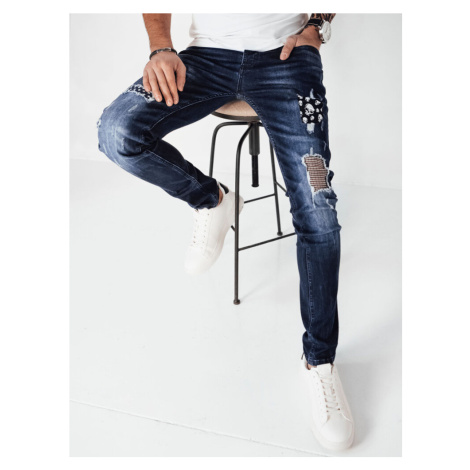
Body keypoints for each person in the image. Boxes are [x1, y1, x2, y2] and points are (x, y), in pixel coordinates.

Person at [97, 13, 354, 451]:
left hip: (286, 59)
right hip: (206, 58)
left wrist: (315, 26)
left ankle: (320, 361)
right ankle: (212, 199)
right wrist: (161, 47)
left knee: (319, 212)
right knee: (118, 131)